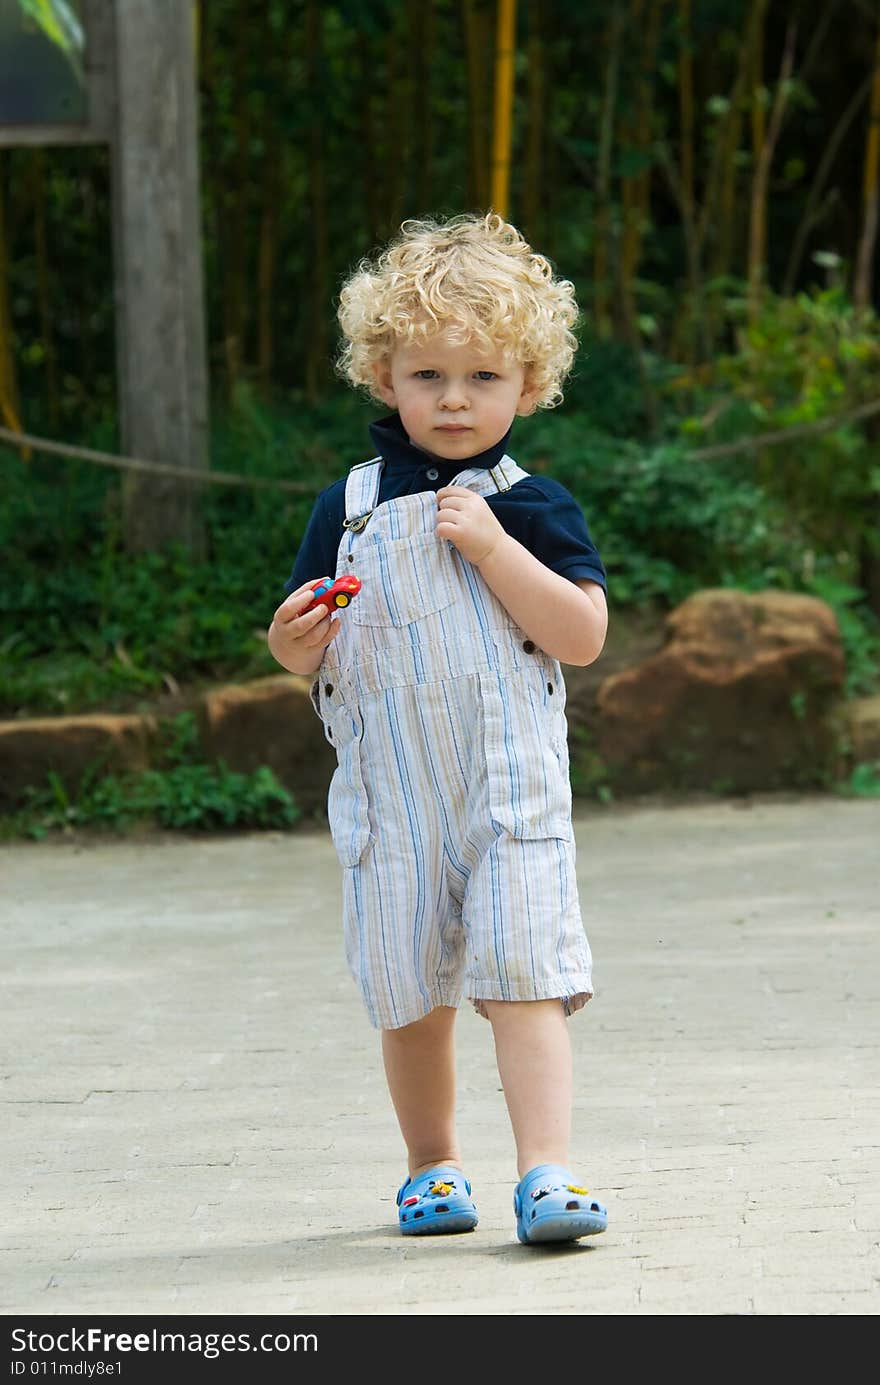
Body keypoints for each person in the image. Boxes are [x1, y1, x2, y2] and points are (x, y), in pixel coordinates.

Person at [268, 212, 609, 1245]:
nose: (454, 398)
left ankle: (545, 1169)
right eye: (427, 375)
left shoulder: (534, 504)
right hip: (394, 794)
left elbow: (582, 634)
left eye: (483, 377)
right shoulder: (351, 505)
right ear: (384, 377)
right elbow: (314, 645)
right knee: (409, 987)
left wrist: (499, 550)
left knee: (525, 978)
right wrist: (294, 642)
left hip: (508, 790)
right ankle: (430, 1164)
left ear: (529, 384)